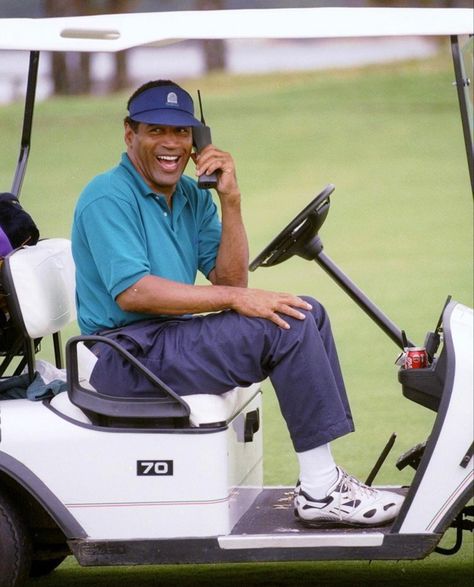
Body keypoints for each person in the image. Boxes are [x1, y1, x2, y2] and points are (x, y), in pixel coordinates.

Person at [72, 79, 404, 528]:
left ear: (196, 140)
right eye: (156, 131)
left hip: (163, 341)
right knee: (283, 324)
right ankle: (322, 490)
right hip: (126, 355)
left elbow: (231, 277)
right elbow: (136, 292)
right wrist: (237, 298)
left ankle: (325, 480)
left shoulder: (191, 196)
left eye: (182, 133)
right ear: (129, 134)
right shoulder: (108, 195)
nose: (171, 143)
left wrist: (230, 201)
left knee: (303, 311)